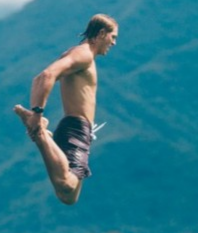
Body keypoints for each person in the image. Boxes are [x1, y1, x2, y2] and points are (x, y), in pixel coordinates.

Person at [13, 14, 119, 205]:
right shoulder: (83, 54)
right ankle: (41, 134)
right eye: (113, 37)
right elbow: (45, 76)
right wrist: (37, 113)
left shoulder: (82, 55)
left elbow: (43, 77)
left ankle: (41, 132)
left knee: (69, 196)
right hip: (75, 126)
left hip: (80, 129)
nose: (114, 43)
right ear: (102, 33)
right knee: (67, 185)